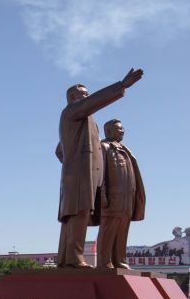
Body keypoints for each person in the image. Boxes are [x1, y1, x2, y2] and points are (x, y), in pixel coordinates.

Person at [54, 69, 143, 267]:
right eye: (83, 94)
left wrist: (72, 157)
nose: (87, 97)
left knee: (81, 213)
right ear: (72, 98)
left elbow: (59, 149)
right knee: (78, 213)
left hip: (87, 175)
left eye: (87, 94)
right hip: (79, 175)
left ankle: (68, 257)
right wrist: (121, 85)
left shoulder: (86, 121)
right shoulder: (71, 112)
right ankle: (74, 257)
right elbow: (62, 150)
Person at [96, 118, 145, 269]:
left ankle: (120, 260)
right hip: (112, 198)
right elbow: (100, 173)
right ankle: (105, 261)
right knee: (108, 230)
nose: (123, 131)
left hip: (126, 199)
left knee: (122, 230)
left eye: (123, 128)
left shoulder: (124, 149)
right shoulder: (104, 147)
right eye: (119, 129)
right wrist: (102, 196)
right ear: (108, 131)